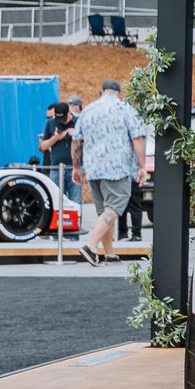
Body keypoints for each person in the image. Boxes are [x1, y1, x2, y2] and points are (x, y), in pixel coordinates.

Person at [71, 78, 150, 264]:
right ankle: (90, 246)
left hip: (93, 169)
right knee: (114, 208)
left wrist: (76, 167)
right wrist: (142, 166)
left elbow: (76, 141)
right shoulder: (125, 109)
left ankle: (109, 253)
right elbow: (137, 139)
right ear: (118, 93)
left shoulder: (88, 110)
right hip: (117, 168)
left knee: (104, 212)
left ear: (102, 91)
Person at [38, 99, 76, 194]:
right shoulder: (50, 123)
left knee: (76, 200)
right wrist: (56, 138)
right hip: (56, 168)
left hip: (74, 167)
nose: (61, 122)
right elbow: (42, 147)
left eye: (63, 119)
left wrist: (76, 135)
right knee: (56, 199)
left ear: (68, 113)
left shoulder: (78, 122)